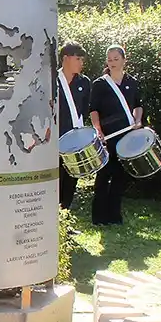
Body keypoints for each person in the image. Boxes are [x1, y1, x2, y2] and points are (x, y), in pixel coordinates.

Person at [88, 45, 143, 226]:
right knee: (104, 175)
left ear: (124, 60)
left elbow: (138, 104)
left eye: (116, 59)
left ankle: (115, 215)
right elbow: (93, 110)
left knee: (120, 176)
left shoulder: (132, 82)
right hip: (107, 137)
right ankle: (99, 216)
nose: (112, 62)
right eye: (109, 59)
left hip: (127, 136)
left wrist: (137, 120)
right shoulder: (100, 84)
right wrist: (98, 130)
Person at [57, 40, 91, 210]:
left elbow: (86, 110)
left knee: (72, 178)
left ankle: (66, 216)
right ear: (66, 58)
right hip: (56, 139)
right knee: (57, 179)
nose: (81, 63)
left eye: (82, 59)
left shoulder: (84, 82)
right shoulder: (53, 80)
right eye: (78, 59)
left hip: (75, 139)